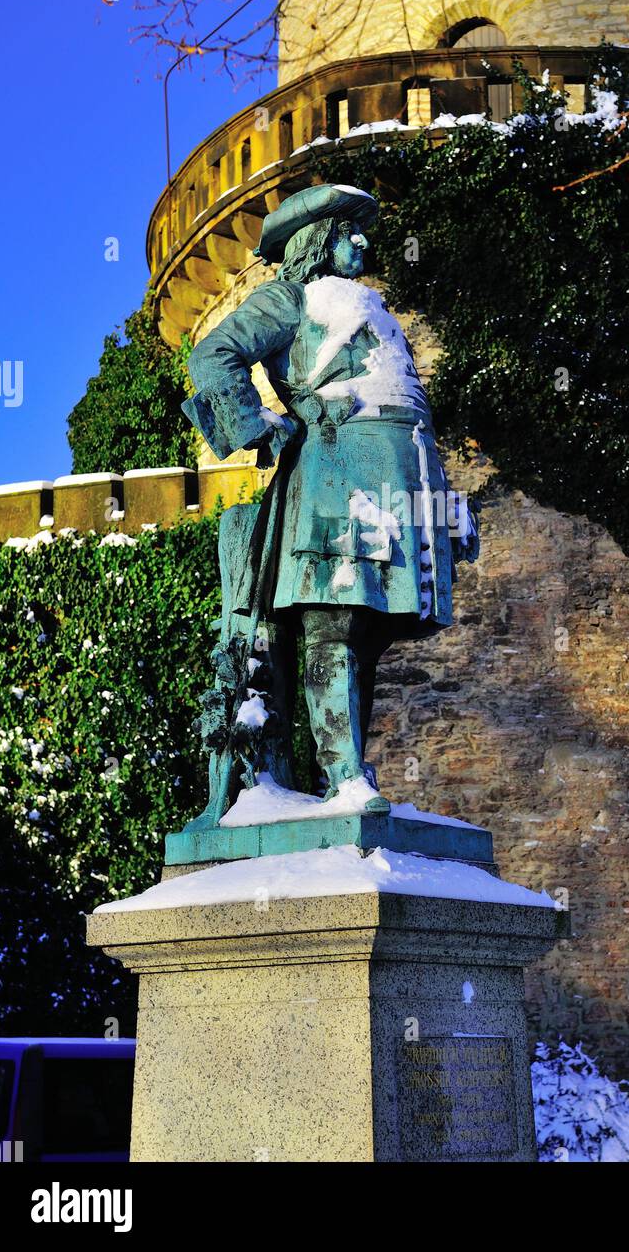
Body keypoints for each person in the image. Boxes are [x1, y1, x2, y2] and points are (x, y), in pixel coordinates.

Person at [182, 183, 478, 827]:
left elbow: (412, 415)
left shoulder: (377, 311)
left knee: (365, 634)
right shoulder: (290, 299)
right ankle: (342, 774)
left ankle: (346, 771)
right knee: (333, 624)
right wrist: (257, 424)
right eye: (349, 232)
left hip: (401, 483)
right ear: (319, 241)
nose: (364, 242)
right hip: (331, 480)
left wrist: (447, 503)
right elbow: (212, 355)